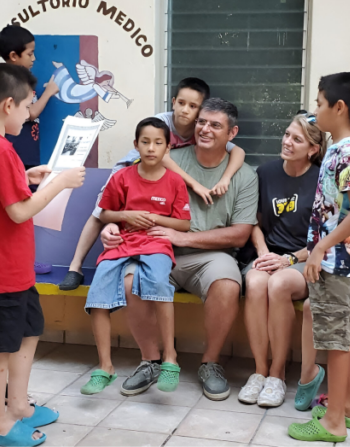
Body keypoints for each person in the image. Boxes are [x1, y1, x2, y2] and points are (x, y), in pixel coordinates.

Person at [0, 63, 85, 446]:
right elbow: (19, 211)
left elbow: (2, 196)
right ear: (8, 105)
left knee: (29, 330)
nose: (30, 113)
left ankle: (18, 406)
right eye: (29, 105)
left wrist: (28, 178)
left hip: (12, 266)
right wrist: (60, 183)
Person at [100, 98, 257, 400]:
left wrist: (184, 238)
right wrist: (111, 226)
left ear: (232, 133)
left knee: (226, 284)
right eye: (201, 122)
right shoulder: (168, 157)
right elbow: (124, 200)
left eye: (215, 125)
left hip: (209, 256)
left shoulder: (244, 175)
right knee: (132, 283)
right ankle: (151, 361)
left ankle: (210, 363)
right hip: (153, 247)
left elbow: (240, 234)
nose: (205, 129)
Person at [58, 79, 249, 291]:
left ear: (200, 111)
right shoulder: (163, 122)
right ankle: (75, 266)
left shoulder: (201, 129)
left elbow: (238, 151)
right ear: (174, 102)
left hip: (154, 176)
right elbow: (165, 159)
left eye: (193, 106)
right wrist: (196, 185)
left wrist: (226, 178)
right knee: (101, 211)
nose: (185, 110)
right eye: (182, 103)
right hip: (131, 169)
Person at [80, 117, 191, 396]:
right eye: (145, 142)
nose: (151, 148)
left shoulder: (175, 182)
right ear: (135, 145)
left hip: (155, 243)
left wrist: (156, 219)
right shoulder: (122, 177)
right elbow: (104, 213)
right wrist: (125, 216)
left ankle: (170, 359)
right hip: (121, 244)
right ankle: (105, 366)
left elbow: (184, 224)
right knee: (97, 297)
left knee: (159, 287)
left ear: (167, 148)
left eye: (158, 143)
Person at [287, 72, 350, 443]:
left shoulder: (349, 150)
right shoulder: (338, 148)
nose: (314, 110)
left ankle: (333, 423)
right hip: (339, 263)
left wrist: (320, 248)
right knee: (345, 337)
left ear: (339, 108)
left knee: (335, 343)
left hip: (337, 265)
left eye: (319, 103)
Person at [237, 113, 324, 408]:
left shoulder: (322, 180)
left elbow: (325, 236)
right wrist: (263, 253)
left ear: (312, 148)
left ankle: (278, 373)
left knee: (279, 285)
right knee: (255, 282)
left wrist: (288, 260)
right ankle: (260, 371)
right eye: (287, 134)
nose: (287, 142)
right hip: (269, 252)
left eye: (296, 139)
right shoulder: (265, 172)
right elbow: (253, 221)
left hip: (304, 258)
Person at [0, 25, 60, 168]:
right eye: (30, 54)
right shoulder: (13, 80)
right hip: (20, 148)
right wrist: (49, 92)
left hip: (27, 148)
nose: (34, 58)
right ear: (13, 56)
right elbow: (30, 113)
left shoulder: (16, 78)